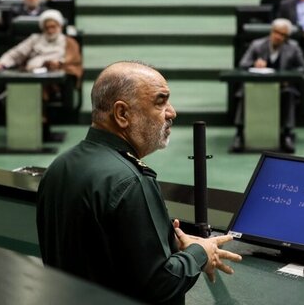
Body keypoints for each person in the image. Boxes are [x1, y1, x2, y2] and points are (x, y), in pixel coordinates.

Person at [37, 61, 242, 304]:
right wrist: (200, 253)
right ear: (122, 114)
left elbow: (98, 250)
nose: (172, 112)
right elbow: (159, 286)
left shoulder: (60, 166)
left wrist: (169, 240)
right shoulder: (131, 181)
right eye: (160, 101)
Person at [0, 9, 82, 141]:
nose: (50, 30)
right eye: (47, 27)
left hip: (53, 81)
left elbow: (73, 62)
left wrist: (59, 63)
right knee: (21, 83)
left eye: (53, 26)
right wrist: (1, 63)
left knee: (38, 87)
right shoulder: (35, 39)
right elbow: (16, 54)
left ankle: (6, 100)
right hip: (30, 74)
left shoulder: (69, 42)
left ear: (60, 26)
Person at [233, 18, 304, 153]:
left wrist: (287, 76)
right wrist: (254, 65)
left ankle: (287, 133)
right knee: (245, 92)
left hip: (282, 87)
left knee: (289, 94)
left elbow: (303, 68)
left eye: (283, 35)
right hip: (257, 87)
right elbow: (243, 65)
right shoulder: (257, 45)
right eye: (277, 32)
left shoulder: (293, 47)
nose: (279, 37)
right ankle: (239, 133)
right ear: (271, 31)